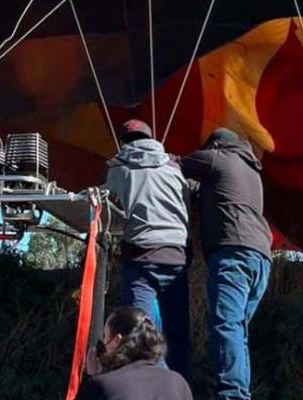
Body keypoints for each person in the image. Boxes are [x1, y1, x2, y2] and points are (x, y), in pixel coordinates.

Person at [179, 128, 272, 400]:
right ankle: (238, 391)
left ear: (215, 145)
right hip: (260, 258)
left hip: (234, 253)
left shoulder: (218, 158)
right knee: (237, 330)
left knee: (226, 325)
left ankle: (232, 394)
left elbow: (176, 165)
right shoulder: (251, 171)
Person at [102, 119, 191, 377]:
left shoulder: (117, 166)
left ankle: (153, 385)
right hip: (176, 255)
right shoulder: (174, 167)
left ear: (123, 142)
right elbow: (184, 205)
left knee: (136, 333)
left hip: (141, 255)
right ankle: (179, 388)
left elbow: (105, 204)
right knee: (176, 332)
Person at [78, 307, 193, 400]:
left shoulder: (102, 385)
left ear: (117, 340)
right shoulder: (178, 383)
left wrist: (90, 379)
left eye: (104, 337)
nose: (103, 345)